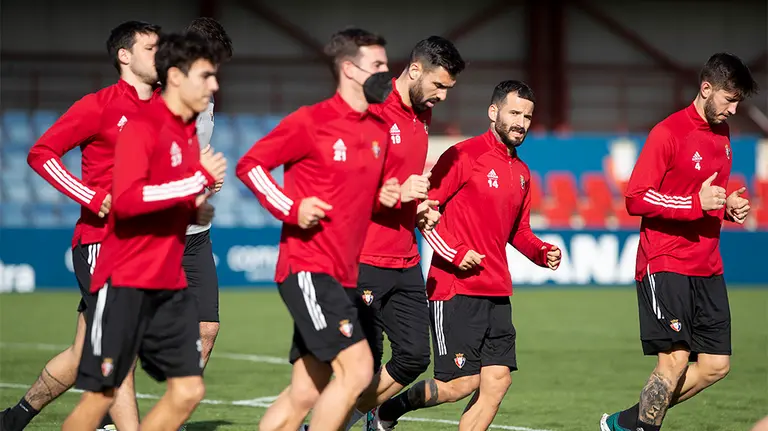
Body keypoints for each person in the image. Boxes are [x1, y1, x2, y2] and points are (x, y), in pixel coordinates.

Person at [60, 31, 227, 431]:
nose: (215, 85)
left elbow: (162, 196)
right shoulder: (140, 126)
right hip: (125, 278)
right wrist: (193, 184)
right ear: (176, 77)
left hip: (164, 278)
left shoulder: (183, 131)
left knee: (187, 392)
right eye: (206, 76)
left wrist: (194, 206)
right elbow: (128, 200)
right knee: (102, 396)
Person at [235, 28, 400, 431]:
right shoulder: (311, 121)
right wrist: (292, 208)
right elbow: (250, 166)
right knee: (359, 370)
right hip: (308, 268)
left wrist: (386, 195)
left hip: (344, 276)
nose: (386, 73)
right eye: (377, 65)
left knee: (307, 391)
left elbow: (358, 195)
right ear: (349, 69)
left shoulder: (378, 129)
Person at [0, 21, 161, 431]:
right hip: (102, 244)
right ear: (124, 56)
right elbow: (42, 153)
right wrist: (90, 196)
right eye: (150, 47)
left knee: (80, 353)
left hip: (147, 249)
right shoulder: (100, 105)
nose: (160, 54)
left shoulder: (167, 108)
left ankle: (13, 420)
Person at [374, 80, 561, 430]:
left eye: (528, 116)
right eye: (514, 113)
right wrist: (455, 254)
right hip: (455, 289)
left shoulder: (521, 173)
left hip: (497, 292)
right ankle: (386, 411)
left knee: (497, 382)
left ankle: (383, 412)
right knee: (459, 385)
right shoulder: (463, 155)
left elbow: (518, 233)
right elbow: (423, 211)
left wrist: (542, 251)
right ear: (494, 113)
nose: (521, 122)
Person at [600, 52, 757, 431]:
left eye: (738, 101)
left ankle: (624, 424)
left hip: (708, 264)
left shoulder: (722, 134)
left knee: (716, 366)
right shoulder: (667, 132)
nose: (734, 110)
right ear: (706, 89)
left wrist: (725, 205)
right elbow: (636, 197)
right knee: (672, 362)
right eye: (729, 99)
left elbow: (705, 195)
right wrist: (695, 203)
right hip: (665, 261)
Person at [342, 35, 466, 430]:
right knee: (361, 367)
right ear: (415, 70)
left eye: (448, 88)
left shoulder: (422, 113)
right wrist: (400, 197)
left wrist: (419, 209)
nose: (443, 96)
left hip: (406, 260)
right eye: (438, 85)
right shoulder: (373, 109)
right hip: (363, 258)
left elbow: (402, 185)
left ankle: (353, 420)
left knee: (413, 356)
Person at [182, 17, 234, 368]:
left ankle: (175, 413)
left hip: (196, 233)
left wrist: (207, 178)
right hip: (158, 232)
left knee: (207, 327)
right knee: (134, 330)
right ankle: (110, 416)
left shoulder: (208, 97)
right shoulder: (159, 95)